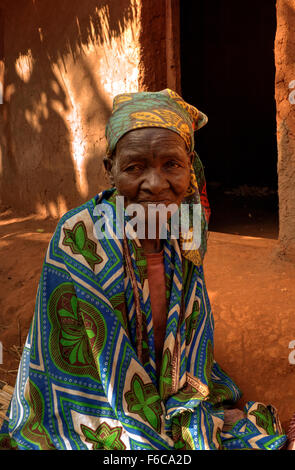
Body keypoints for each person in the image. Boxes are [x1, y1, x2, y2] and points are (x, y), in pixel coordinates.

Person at [0, 89, 289, 450]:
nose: (155, 184)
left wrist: (185, 404)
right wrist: (158, 429)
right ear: (110, 170)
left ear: (190, 166)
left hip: (166, 394)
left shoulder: (183, 233)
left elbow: (192, 336)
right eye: (135, 167)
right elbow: (103, 364)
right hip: (92, 404)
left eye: (171, 164)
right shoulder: (81, 236)